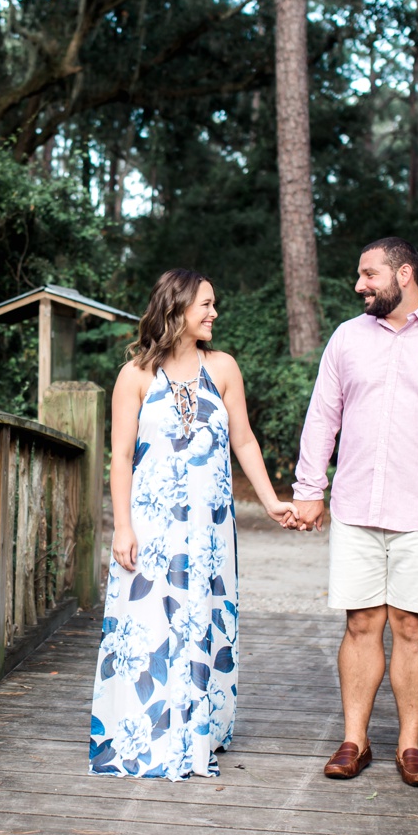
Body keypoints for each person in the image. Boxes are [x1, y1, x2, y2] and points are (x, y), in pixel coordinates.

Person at [292, 236, 418, 787]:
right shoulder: (346, 339)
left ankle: (411, 746)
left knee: (411, 627)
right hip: (357, 504)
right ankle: (354, 741)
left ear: (403, 273)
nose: (359, 285)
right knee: (360, 623)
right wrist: (309, 488)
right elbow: (322, 418)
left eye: (369, 275)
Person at [88, 269, 298, 779]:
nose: (213, 313)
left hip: (210, 528)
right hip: (152, 527)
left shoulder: (222, 367)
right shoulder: (134, 376)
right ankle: (143, 736)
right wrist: (122, 527)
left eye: (214, 303)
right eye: (205, 304)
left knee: (204, 618)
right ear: (176, 308)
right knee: (148, 625)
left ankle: (199, 731)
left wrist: (271, 501)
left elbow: (243, 440)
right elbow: (120, 459)